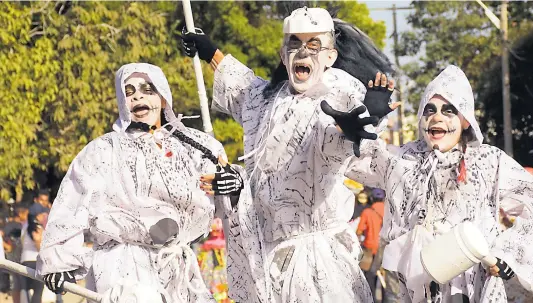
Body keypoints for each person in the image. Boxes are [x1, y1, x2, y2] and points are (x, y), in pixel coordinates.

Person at [182, 6, 396, 303]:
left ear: (330, 57)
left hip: (319, 265)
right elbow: (243, 86)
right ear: (284, 54)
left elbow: (335, 149)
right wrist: (209, 51)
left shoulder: (338, 96)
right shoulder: (268, 100)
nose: (303, 53)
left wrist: (359, 124)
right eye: (295, 43)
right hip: (268, 258)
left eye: (313, 45)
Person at [326, 65, 533, 302]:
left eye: (449, 110)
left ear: (465, 120)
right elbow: (349, 162)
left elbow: (532, 203)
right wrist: (365, 124)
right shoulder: (403, 160)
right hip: (412, 288)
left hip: (468, 286)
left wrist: (508, 255)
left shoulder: (489, 161)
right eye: (429, 110)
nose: (437, 117)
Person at [36, 63, 244, 303]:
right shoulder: (103, 151)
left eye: (147, 89)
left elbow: (227, 200)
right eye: (129, 91)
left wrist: (235, 186)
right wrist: (58, 262)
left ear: (163, 98)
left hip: (180, 272)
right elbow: (71, 204)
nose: (137, 96)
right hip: (124, 270)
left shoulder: (195, 146)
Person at [21, 204, 49, 303]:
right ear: (37, 215)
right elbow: (38, 246)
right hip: (36, 262)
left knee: (27, 291)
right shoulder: (38, 228)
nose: (44, 216)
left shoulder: (25, 226)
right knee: (37, 292)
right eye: (42, 214)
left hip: (25, 261)